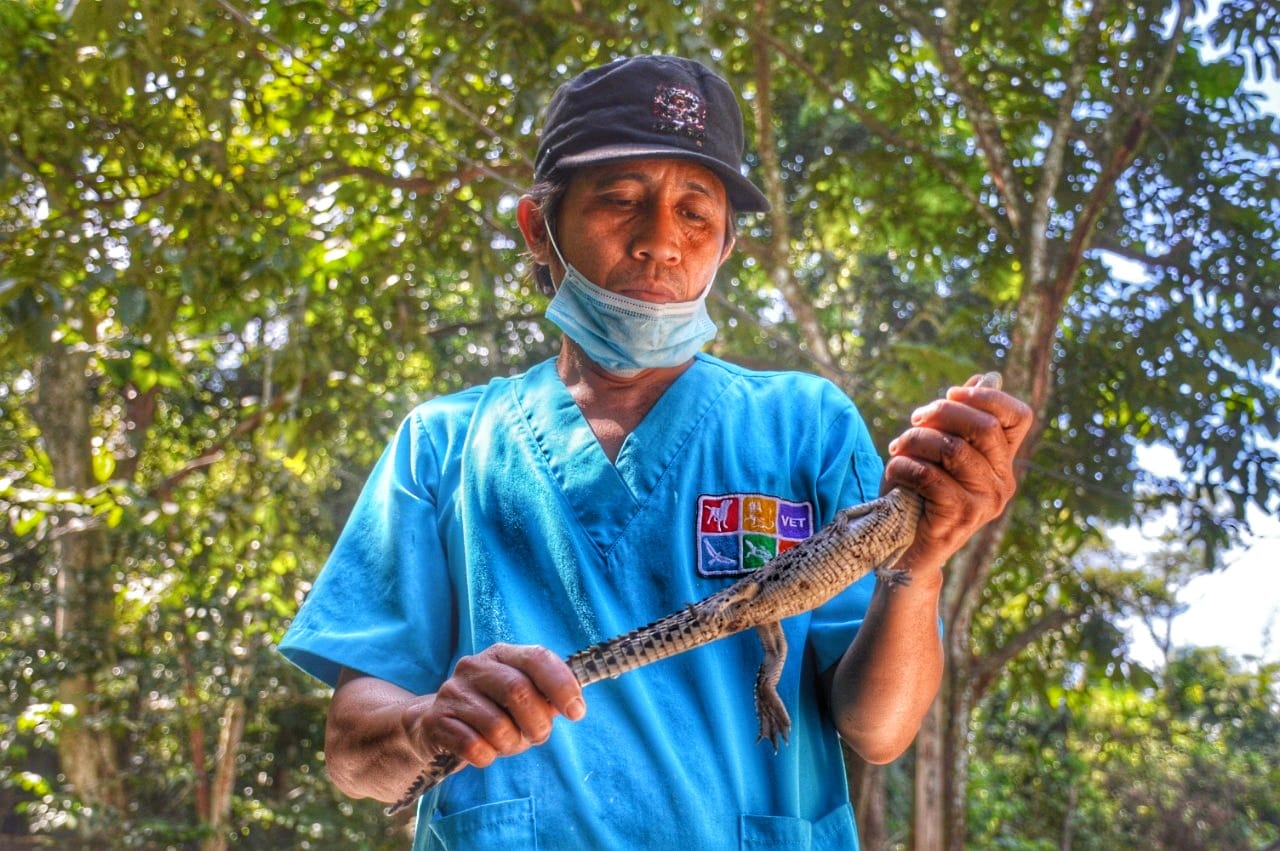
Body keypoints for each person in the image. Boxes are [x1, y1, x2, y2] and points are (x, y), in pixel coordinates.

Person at [279, 54, 1032, 850]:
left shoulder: (806, 421)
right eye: (621, 200)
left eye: (695, 213)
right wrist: (427, 724)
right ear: (540, 227)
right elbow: (353, 754)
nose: (660, 243)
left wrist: (923, 560)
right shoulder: (441, 443)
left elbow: (878, 731)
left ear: (727, 245)